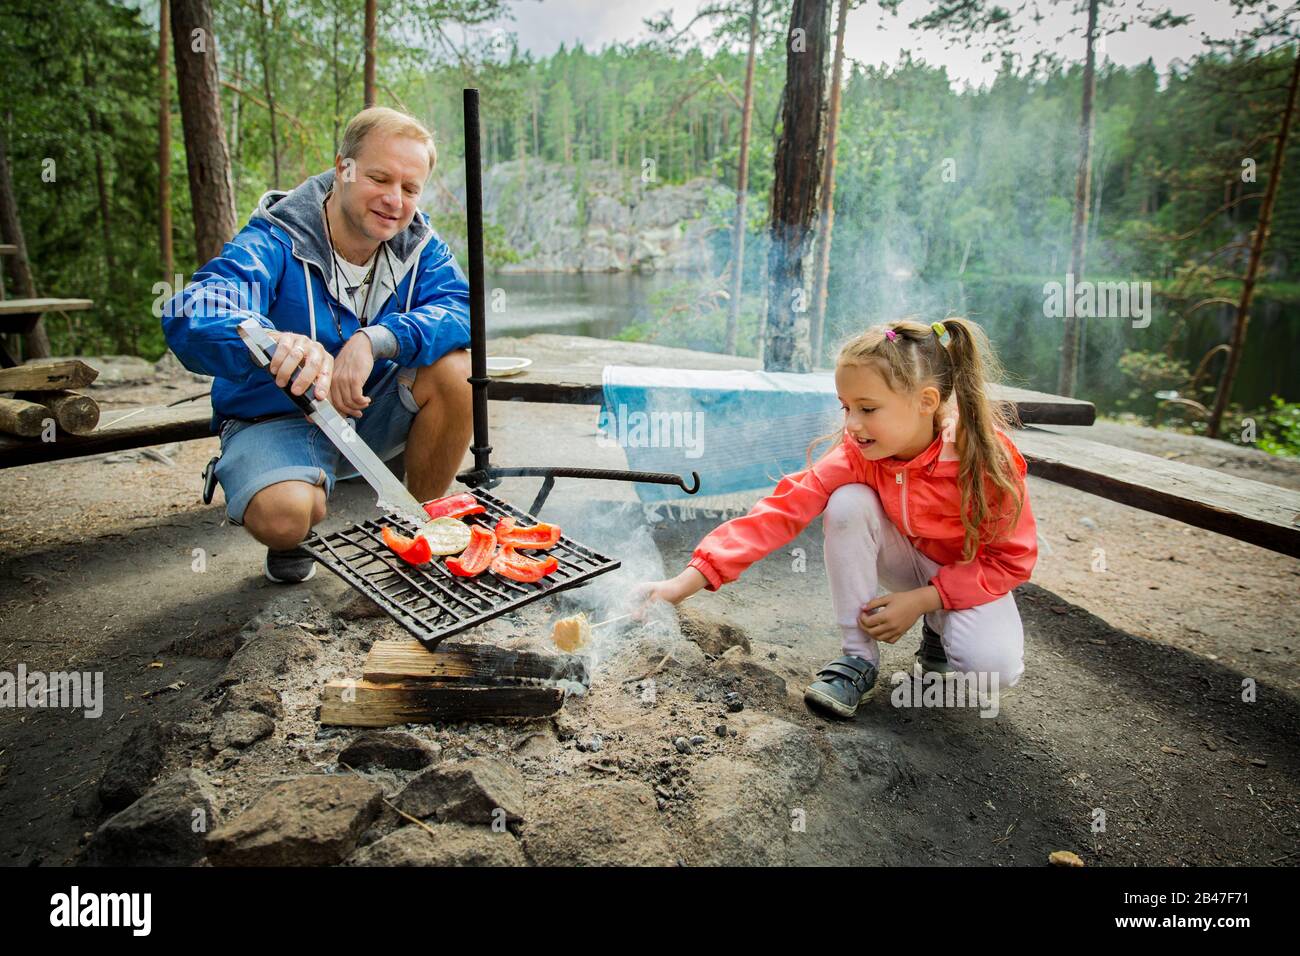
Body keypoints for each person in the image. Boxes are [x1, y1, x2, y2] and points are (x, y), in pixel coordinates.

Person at [635, 317, 1038, 719]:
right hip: (904, 561)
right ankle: (859, 658)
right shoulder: (857, 454)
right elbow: (781, 512)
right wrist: (682, 583)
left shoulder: (983, 457)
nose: (852, 424)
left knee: (991, 670)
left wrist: (924, 601)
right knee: (848, 501)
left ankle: (938, 625)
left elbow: (1012, 561)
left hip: (967, 574)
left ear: (927, 402)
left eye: (868, 408)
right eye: (846, 407)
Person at [162, 107, 473, 583]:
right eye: (379, 178)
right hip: (275, 418)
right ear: (342, 168)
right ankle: (277, 496)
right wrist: (268, 341)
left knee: (457, 370)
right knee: (286, 517)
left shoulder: (419, 244)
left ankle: (421, 526)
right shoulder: (275, 236)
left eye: (410, 188)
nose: (395, 200)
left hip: (366, 412)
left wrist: (377, 339)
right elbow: (195, 310)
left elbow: (461, 308)